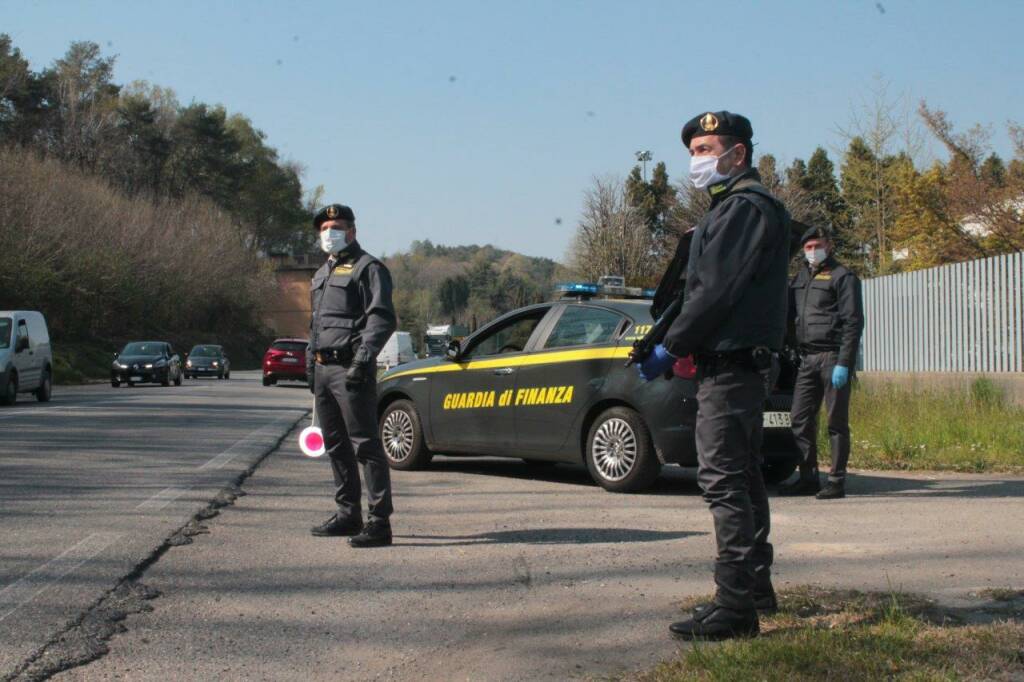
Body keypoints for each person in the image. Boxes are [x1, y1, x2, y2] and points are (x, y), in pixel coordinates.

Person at [637, 111, 791, 640]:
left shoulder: (744, 209)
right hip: (734, 364)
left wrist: (672, 345)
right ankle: (753, 589)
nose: (697, 160)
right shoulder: (732, 209)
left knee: (723, 480)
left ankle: (735, 607)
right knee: (744, 475)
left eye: (706, 149)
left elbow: (714, 292)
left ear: (738, 154)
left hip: (732, 366)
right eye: (694, 150)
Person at [307, 203, 398, 547]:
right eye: (325, 227)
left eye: (338, 226)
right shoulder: (321, 273)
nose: (330, 232)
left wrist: (362, 360)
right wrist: (308, 360)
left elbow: (382, 319)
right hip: (323, 369)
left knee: (365, 444)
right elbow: (316, 323)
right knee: (335, 445)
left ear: (353, 231)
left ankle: (379, 522)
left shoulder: (368, 268)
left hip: (350, 368)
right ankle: (348, 514)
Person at [779, 226, 864, 500]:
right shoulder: (800, 278)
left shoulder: (843, 277)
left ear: (829, 245)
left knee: (835, 422)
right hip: (807, 360)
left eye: (817, 245)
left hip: (833, 358)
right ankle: (808, 477)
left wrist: (845, 362)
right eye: (808, 247)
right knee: (799, 418)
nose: (813, 250)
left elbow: (853, 322)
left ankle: (837, 481)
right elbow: (788, 317)